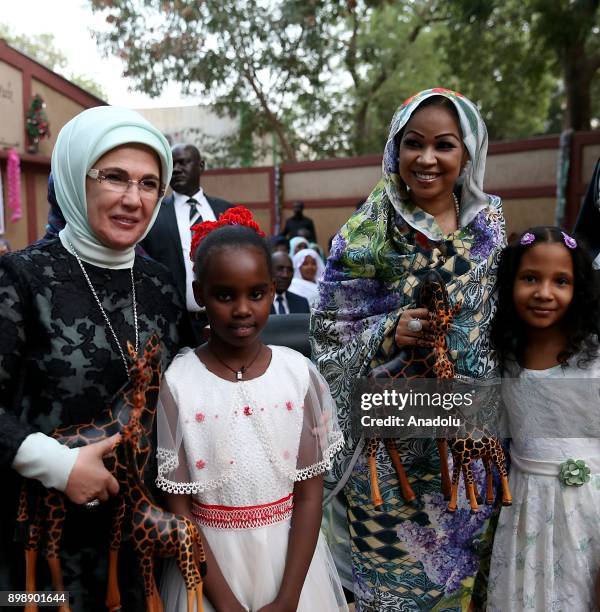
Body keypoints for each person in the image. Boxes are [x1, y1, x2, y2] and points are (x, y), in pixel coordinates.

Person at [311, 88, 506, 609]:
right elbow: (328, 337)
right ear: (395, 149)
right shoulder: (365, 232)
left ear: (467, 153)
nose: (427, 159)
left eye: (444, 145)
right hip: (391, 464)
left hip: (470, 453)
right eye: (413, 143)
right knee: (394, 594)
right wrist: (388, 329)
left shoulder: (490, 228)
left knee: (464, 587)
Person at [0, 106, 188, 610]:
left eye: (150, 184)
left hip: (137, 549)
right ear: (74, 177)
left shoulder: (162, 286)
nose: (133, 199)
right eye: (115, 178)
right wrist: (58, 466)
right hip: (38, 555)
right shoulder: (19, 278)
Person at [155, 207, 347, 611]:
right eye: (225, 295)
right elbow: (180, 510)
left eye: (256, 294)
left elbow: (310, 496)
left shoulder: (298, 375)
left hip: (291, 568)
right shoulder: (179, 383)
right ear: (201, 292)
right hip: (210, 574)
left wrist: (290, 597)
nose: (242, 309)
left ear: (273, 291)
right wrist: (225, 604)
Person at [487, 226, 600, 611]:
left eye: (561, 281)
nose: (544, 293)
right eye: (530, 278)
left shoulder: (595, 360)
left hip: (587, 516)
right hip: (523, 512)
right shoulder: (502, 357)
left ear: (579, 289)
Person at [141, 143, 233, 343]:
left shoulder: (226, 211)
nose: (176, 169)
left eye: (183, 162)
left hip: (225, 324)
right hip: (174, 328)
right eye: (171, 164)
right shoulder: (153, 214)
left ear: (201, 165)